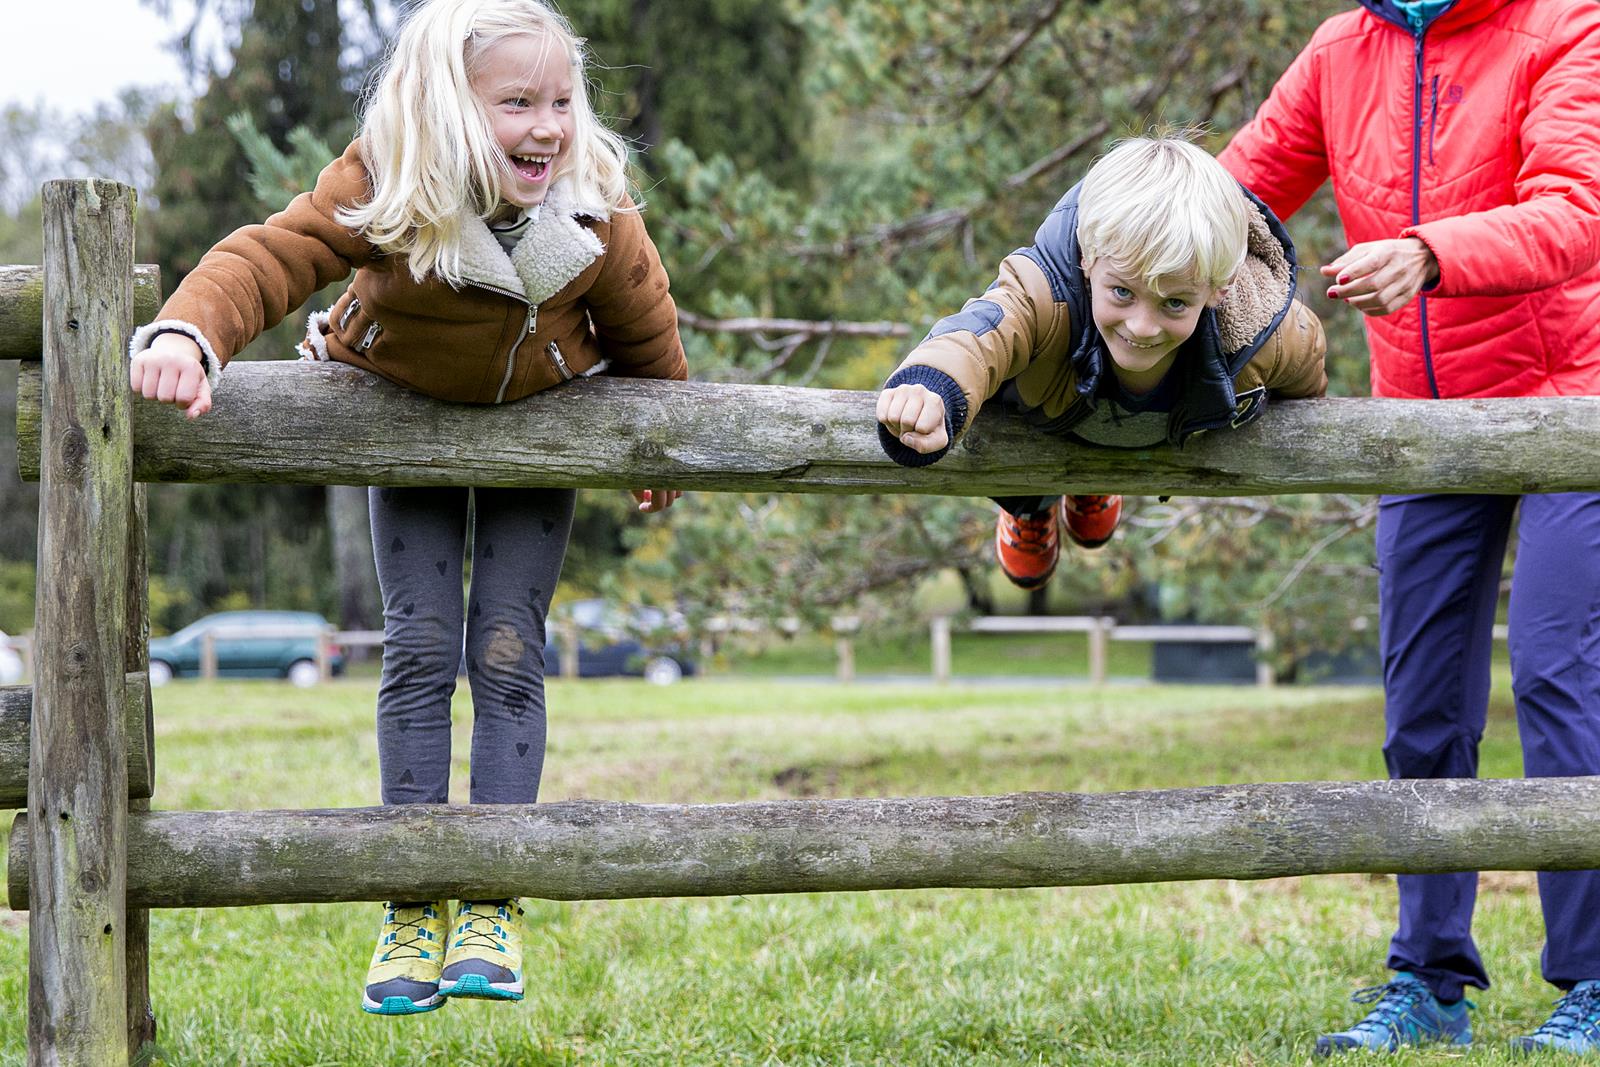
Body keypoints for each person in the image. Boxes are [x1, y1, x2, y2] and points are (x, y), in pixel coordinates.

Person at [127, 0, 686, 1017]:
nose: (549, 126)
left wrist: (663, 443)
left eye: (561, 100)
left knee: (510, 646)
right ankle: (409, 893)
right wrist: (185, 335)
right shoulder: (387, 178)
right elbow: (271, 255)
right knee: (420, 648)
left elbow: (644, 313)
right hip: (405, 422)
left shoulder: (595, 201)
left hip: (534, 429)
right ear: (448, 105)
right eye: (517, 102)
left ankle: (491, 893)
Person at [1217, 0, 1600, 1055]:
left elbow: (1579, 210)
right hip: (1421, 424)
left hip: (1573, 403)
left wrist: (1429, 253)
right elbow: (1232, 197)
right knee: (1421, 700)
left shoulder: (1567, 24)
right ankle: (1429, 978)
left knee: (1560, 668)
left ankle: (1596, 979)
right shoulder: (1344, 44)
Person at [875, 134, 1327, 591]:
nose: (1142, 326)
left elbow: (1307, 360)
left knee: (1117, 427)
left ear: (1219, 289)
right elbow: (977, 335)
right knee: (1016, 395)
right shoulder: (1044, 294)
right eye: (1123, 293)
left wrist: (1307, 419)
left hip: (1141, 422)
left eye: (1174, 303)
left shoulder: (1260, 328)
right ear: (1089, 261)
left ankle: (1094, 480)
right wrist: (931, 387)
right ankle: (1030, 503)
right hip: (1049, 415)